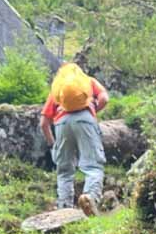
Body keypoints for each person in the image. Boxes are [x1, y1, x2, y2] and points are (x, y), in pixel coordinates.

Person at [40, 63, 109, 215]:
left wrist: (53, 146)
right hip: (85, 119)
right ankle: (89, 198)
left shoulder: (58, 89)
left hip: (61, 123)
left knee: (64, 171)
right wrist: (92, 112)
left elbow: (44, 123)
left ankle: (64, 209)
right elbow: (104, 98)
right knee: (93, 166)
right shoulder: (88, 82)